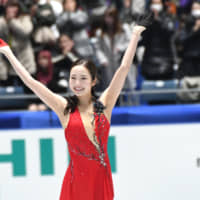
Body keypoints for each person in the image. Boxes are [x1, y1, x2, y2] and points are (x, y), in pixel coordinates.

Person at [0, 20, 147, 200]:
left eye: (83, 78)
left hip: (100, 182)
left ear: (93, 81)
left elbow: (123, 69)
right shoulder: (64, 108)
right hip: (75, 184)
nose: (77, 84)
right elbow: (32, 83)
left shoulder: (105, 103)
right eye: (73, 78)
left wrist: (134, 35)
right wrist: (8, 53)